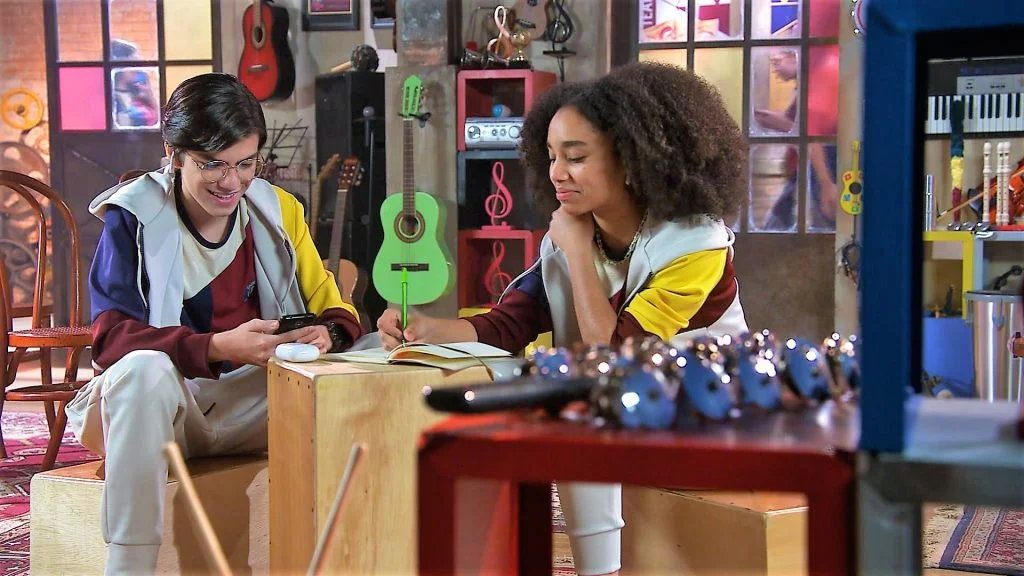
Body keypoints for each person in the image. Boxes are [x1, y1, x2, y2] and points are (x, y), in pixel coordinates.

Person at [377, 61, 749, 576]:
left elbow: (613, 354)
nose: (556, 173)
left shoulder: (695, 243)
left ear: (630, 160)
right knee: (540, 395)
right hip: (634, 405)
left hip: (710, 407)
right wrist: (424, 328)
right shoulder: (570, 235)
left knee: (576, 409)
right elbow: (507, 325)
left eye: (575, 157)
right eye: (551, 156)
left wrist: (576, 251)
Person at [65, 73, 364, 575]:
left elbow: (337, 310)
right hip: (160, 414)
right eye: (212, 164)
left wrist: (326, 334)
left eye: (245, 163)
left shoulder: (278, 210)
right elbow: (112, 340)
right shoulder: (132, 216)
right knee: (142, 370)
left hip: (255, 408)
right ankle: (129, 566)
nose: (232, 182)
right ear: (173, 153)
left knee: (373, 358)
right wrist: (217, 347)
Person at [758, 48, 839, 231]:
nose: (775, 69)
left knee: (825, 226)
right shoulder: (804, 87)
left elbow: (811, 132)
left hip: (821, 165)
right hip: (806, 167)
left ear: (794, 58)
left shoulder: (820, 79)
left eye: (777, 62)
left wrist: (826, 183)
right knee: (780, 220)